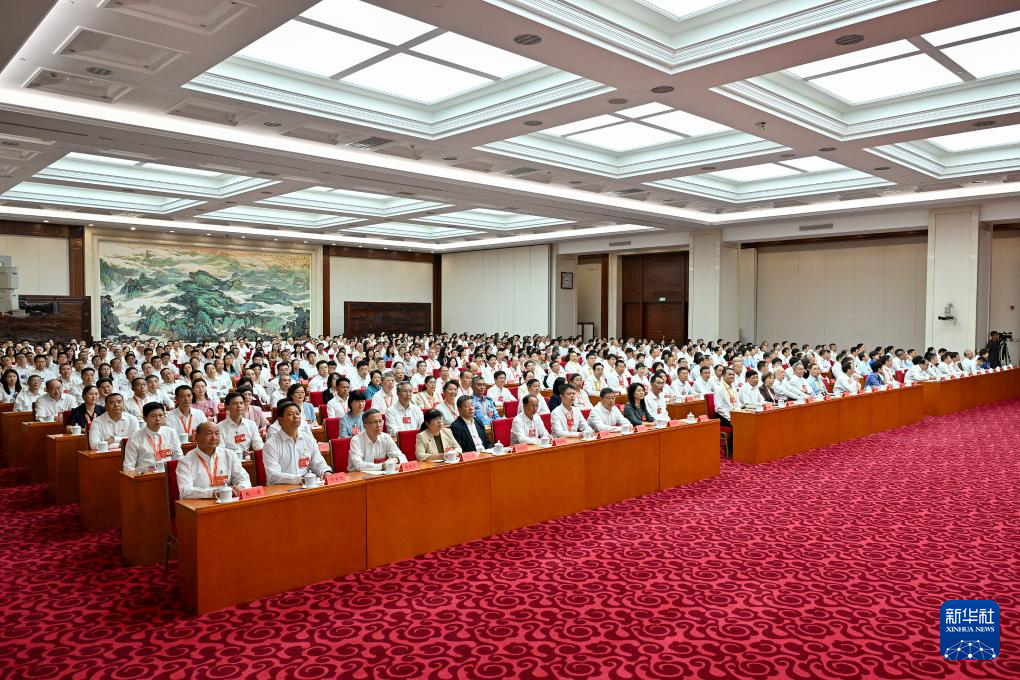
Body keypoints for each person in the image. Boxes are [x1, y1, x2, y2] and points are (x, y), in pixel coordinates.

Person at [175, 421, 252, 499]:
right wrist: (213, 493)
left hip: (227, 502)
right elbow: (185, 491)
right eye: (209, 433)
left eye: (217, 433)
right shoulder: (185, 461)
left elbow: (244, 479)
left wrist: (241, 487)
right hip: (200, 504)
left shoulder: (229, 455)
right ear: (196, 437)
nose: (214, 438)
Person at [262, 401, 331, 484]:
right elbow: (273, 475)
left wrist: (326, 472)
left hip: (307, 485)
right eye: (290, 414)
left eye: (298, 414)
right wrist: (299, 479)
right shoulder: (271, 445)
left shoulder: (308, 439)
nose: (295, 417)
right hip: (282, 488)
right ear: (280, 419)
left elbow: (318, 462)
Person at [123, 402, 183, 472]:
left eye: (161, 415)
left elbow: (179, 457)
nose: (158, 419)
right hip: (146, 476)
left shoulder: (171, 432)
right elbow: (128, 467)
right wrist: (142, 474)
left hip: (169, 473)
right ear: (145, 418)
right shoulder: (135, 437)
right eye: (153, 416)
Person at [217, 391, 263, 457]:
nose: (239, 406)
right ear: (227, 406)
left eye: (241, 403)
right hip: (228, 460)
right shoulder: (219, 427)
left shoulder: (251, 425)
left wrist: (254, 453)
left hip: (247, 460)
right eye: (235, 403)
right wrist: (237, 454)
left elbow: (259, 445)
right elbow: (220, 450)